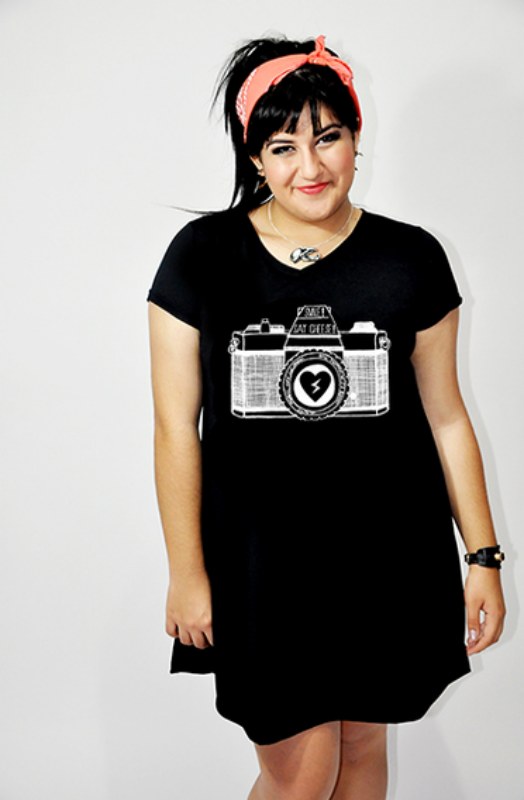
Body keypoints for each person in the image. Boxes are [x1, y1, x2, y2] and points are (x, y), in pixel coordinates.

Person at [146, 33, 507, 800]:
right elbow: (176, 429)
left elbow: (446, 418)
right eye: (283, 147)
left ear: (356, 137)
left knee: (364, 748)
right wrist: (187, 572)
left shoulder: (410, 258)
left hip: (389, 552)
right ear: (255, 157)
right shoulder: (203, 256)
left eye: (328, 137)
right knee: (301, 775)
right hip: (260, 563)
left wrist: (482, 558)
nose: (309, 167)